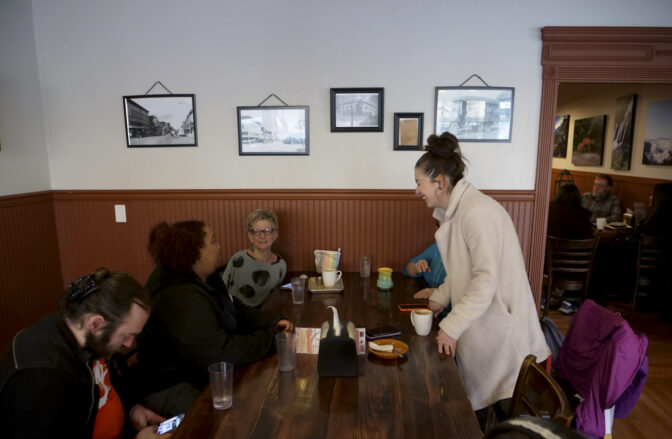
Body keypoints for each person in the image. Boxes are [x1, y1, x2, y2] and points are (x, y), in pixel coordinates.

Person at [411, 132, 550, 430]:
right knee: (483, 412)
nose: (417, 191)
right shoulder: (458, 212)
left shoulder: (477, 212)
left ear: (440, 181)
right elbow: (460, 271)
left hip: (503, 333)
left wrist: (449, 327)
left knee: (507, 421)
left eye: (419, 182)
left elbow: (485, 281)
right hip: (486, 327)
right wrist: (441, 296)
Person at [134, 220, 293, 416]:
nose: (219, 246)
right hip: (170, 385)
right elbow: (220, 353)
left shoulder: (204, 275)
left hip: (199, 372)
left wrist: (271, 321)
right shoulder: (178, 296)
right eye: (214, 241)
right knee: (225, 418)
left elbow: (234, 307)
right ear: (196, 252)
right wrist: (271, 339)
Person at [0, 268, 166, 439]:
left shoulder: (89, 336)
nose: (129, 344)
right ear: (95, 323)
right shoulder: (39, 382)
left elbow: (106, 383)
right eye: (127, 335)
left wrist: (131, 408)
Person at [222, 209, 287, 307]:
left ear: (275, 234)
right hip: (235, 314)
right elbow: (221, 291)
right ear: (250, 236)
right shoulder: (237, 259)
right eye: (256, 231)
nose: (262, 236)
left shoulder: (280, 265)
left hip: (263, 316)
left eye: (268, 231)